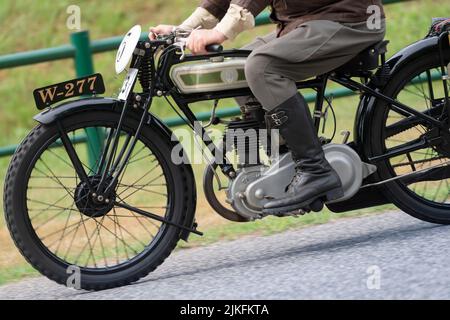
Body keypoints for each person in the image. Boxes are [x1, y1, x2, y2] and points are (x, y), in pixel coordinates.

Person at [149, 1, 386, 215]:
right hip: (309, 20)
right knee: (239, 66)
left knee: (261, 67)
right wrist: (182, 30)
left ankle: (315, 169)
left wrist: (219, 33)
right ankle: (287, 162)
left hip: (350, 19)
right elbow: (219, 3)